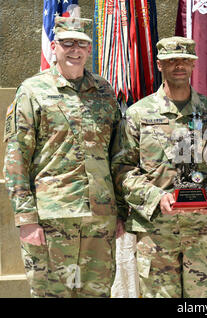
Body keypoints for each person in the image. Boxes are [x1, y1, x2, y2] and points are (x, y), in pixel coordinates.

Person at [3, 17, 125, 298]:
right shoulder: (32, 91)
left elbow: (118, 155)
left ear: (89, 48)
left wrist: (120, 210)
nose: (75, 50)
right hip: (51, 219)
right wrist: (26, 218)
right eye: (68, 43)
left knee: (97, 294)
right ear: (54, 46)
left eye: (81, 43)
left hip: (100, 219)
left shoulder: (105, 92)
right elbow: (16, 156)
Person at [110, 36, 207, 298]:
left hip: (201, 231)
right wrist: (157, 198)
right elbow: (123, 169)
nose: (179, 66)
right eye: (171, 61)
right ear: (159, 65)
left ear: (193, 65)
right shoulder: (138, 115)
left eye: (185, 61)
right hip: (157, 233)